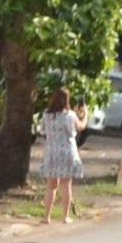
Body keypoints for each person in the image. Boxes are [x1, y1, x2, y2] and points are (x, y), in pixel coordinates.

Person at [35, 87, 85, 224]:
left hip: (51, 151)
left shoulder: (46, 115)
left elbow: (42, 131)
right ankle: (65, 216)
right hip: (67, 150)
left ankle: (46, 216)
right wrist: (85, 114)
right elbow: (79, 127)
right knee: (66, 185)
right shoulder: (69, 115)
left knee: (51, 185)